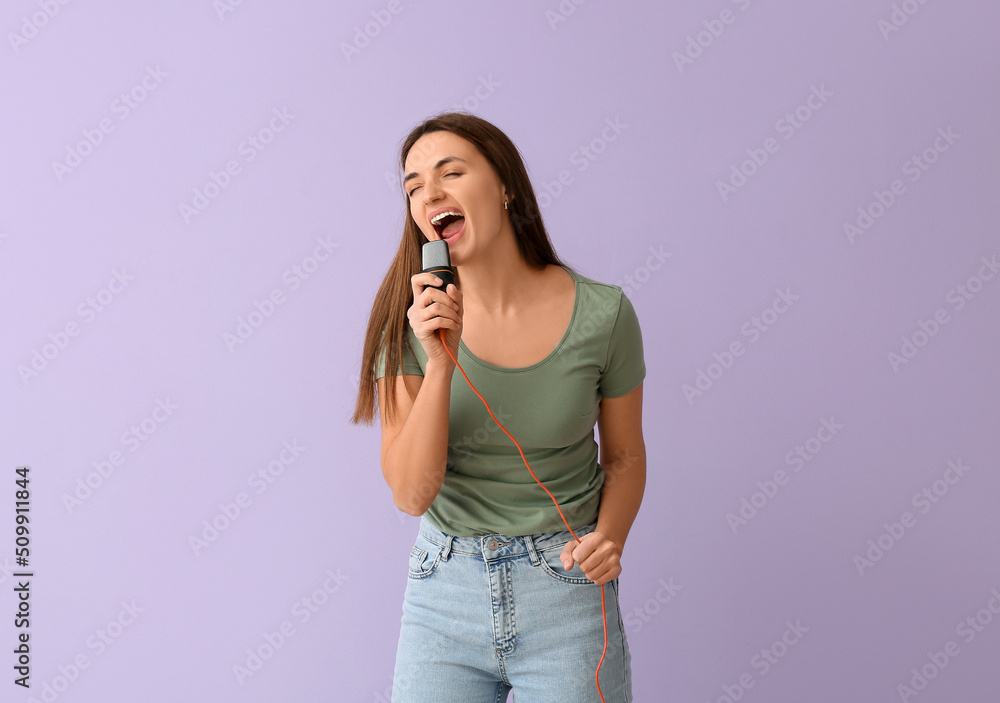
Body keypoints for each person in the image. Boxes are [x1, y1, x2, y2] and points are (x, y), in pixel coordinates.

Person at [351, 111, 646, 702]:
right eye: (412, 186)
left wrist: (609, 537)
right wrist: (440, 362)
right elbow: (411, 495)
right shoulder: (405, 325)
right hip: (445, 595)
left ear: (506, 186)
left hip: (566, 588)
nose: (428, 194)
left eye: (449, 173)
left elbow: (625, 455)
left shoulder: (604, 314)